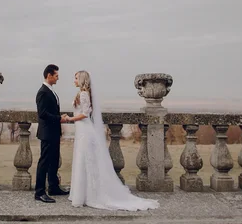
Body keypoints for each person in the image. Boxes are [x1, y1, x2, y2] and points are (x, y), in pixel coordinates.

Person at [64, 70, 160, 211]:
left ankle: (88, 195)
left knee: (86, 161)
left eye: (76, 77)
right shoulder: (83, 93)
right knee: (83, 162)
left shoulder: (84, 94)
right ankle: (83, 194)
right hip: (82, 131)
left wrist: (70, 119)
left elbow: (85, 114)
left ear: (82, 79)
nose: (74, 79)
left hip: (85, 131)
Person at [34, 64, 70, 203]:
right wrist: (59, 118)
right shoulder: (42, 92)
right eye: (56, 75)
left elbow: (51, 110)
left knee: (54, 161)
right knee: (44, 162)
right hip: (47, 133)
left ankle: (54, 187)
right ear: (49, 75)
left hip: (54, 132)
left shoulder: (51, 90)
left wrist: (59, 115)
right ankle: (39, 192)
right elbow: (42, 114)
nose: (58, 78)